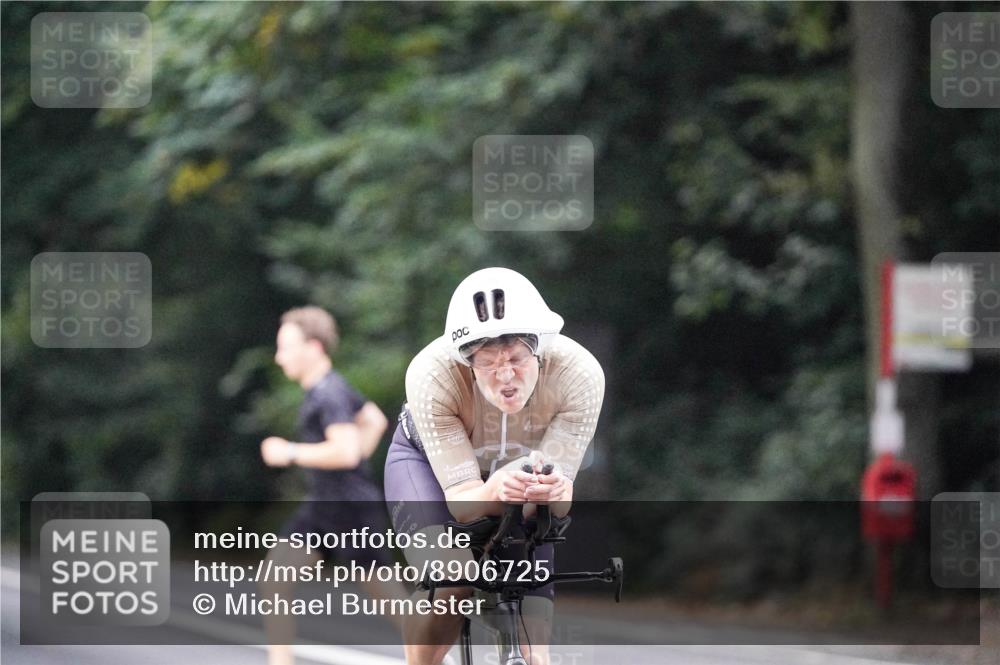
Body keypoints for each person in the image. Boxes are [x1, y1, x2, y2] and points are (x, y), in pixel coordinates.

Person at [384, 268, 605, 665]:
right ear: (466, 362)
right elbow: (464, 502)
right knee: (452, 578)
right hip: (431, 469)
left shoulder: (580, 376)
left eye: (518, 359)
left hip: (519, 480)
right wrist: (492, 490)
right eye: (488, 362)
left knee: (535, 654)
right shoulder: (431, 374)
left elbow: (558, 506)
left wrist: (552, 491)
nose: (505, 375)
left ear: (540, 349)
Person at [260, 306, 404, 665]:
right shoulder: (330, 388)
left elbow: (344, 452)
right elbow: (374, 420)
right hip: (326, 506)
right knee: (274, 578)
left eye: (285, 347)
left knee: (392, 601)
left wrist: (289, 451)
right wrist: (355, 455)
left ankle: (442, 654)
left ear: (314, 347)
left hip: (351, 510)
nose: (279, 357)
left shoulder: (328, 394)